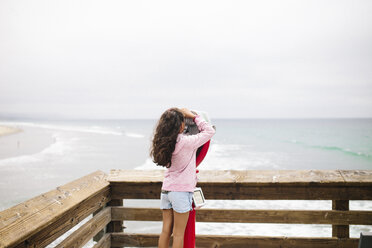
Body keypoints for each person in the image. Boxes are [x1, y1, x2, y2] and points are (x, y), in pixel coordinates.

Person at [150, 107, 216, 248]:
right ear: (181, 125)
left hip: (166, 191)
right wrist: (193, 117)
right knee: (179, 234)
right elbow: (209, 131)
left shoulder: (163, 143)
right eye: (183, 123)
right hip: (181, 193)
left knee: (165, 231)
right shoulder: (187, 142)